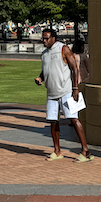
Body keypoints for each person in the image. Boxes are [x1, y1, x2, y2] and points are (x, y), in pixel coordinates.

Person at [35, 28, 92, 162]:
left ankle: (85, 151)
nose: (44, 41)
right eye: (43, 38)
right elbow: (46, 70)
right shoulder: (44, 54)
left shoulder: (63, 49)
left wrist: (75, 88)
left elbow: (74, 68)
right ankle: (57, 151)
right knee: (53, 121)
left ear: (53, 38)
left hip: (66, 91)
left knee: (73, 119)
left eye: (46, 38)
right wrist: (40, 78)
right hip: (51, 93)